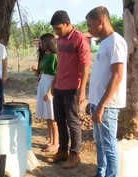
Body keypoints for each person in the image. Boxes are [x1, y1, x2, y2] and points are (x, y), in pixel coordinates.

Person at [80, 6, 127, 177]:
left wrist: (101, 105)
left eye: (90, 25)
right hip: (98, 104)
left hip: (107, 106)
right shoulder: (104, 43)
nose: (89, 30)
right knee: (99, 143)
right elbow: (101, 77)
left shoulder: (116, 42)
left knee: (109, 146)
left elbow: (117, 77)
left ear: (100, 20)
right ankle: (100, 176)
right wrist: (92, 102)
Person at [47, 10, 91, 168]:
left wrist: (83, 89)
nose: (56, 32)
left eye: (58, 28)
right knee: (60, 120)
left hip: (73, 87)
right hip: (59, 86)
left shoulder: (79, 39)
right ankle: (62, 150)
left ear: (67, 23)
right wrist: (53, 85)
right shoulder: (61, 40)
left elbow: (85, 65)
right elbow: (60, 64)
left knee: (73, 121)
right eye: (55, 30)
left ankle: (75, 154)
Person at [31, 33, 59, 152]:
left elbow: (55, 75)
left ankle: (56, 143)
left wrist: (49, 91)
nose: (40, 45)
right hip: (43, 83)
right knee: (47, 116)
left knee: (52, 116)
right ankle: (51, 140)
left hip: (49, 86)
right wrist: (36, 71)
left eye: (41, 42)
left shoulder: (54, 56)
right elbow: (41, 74)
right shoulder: (44, 56)